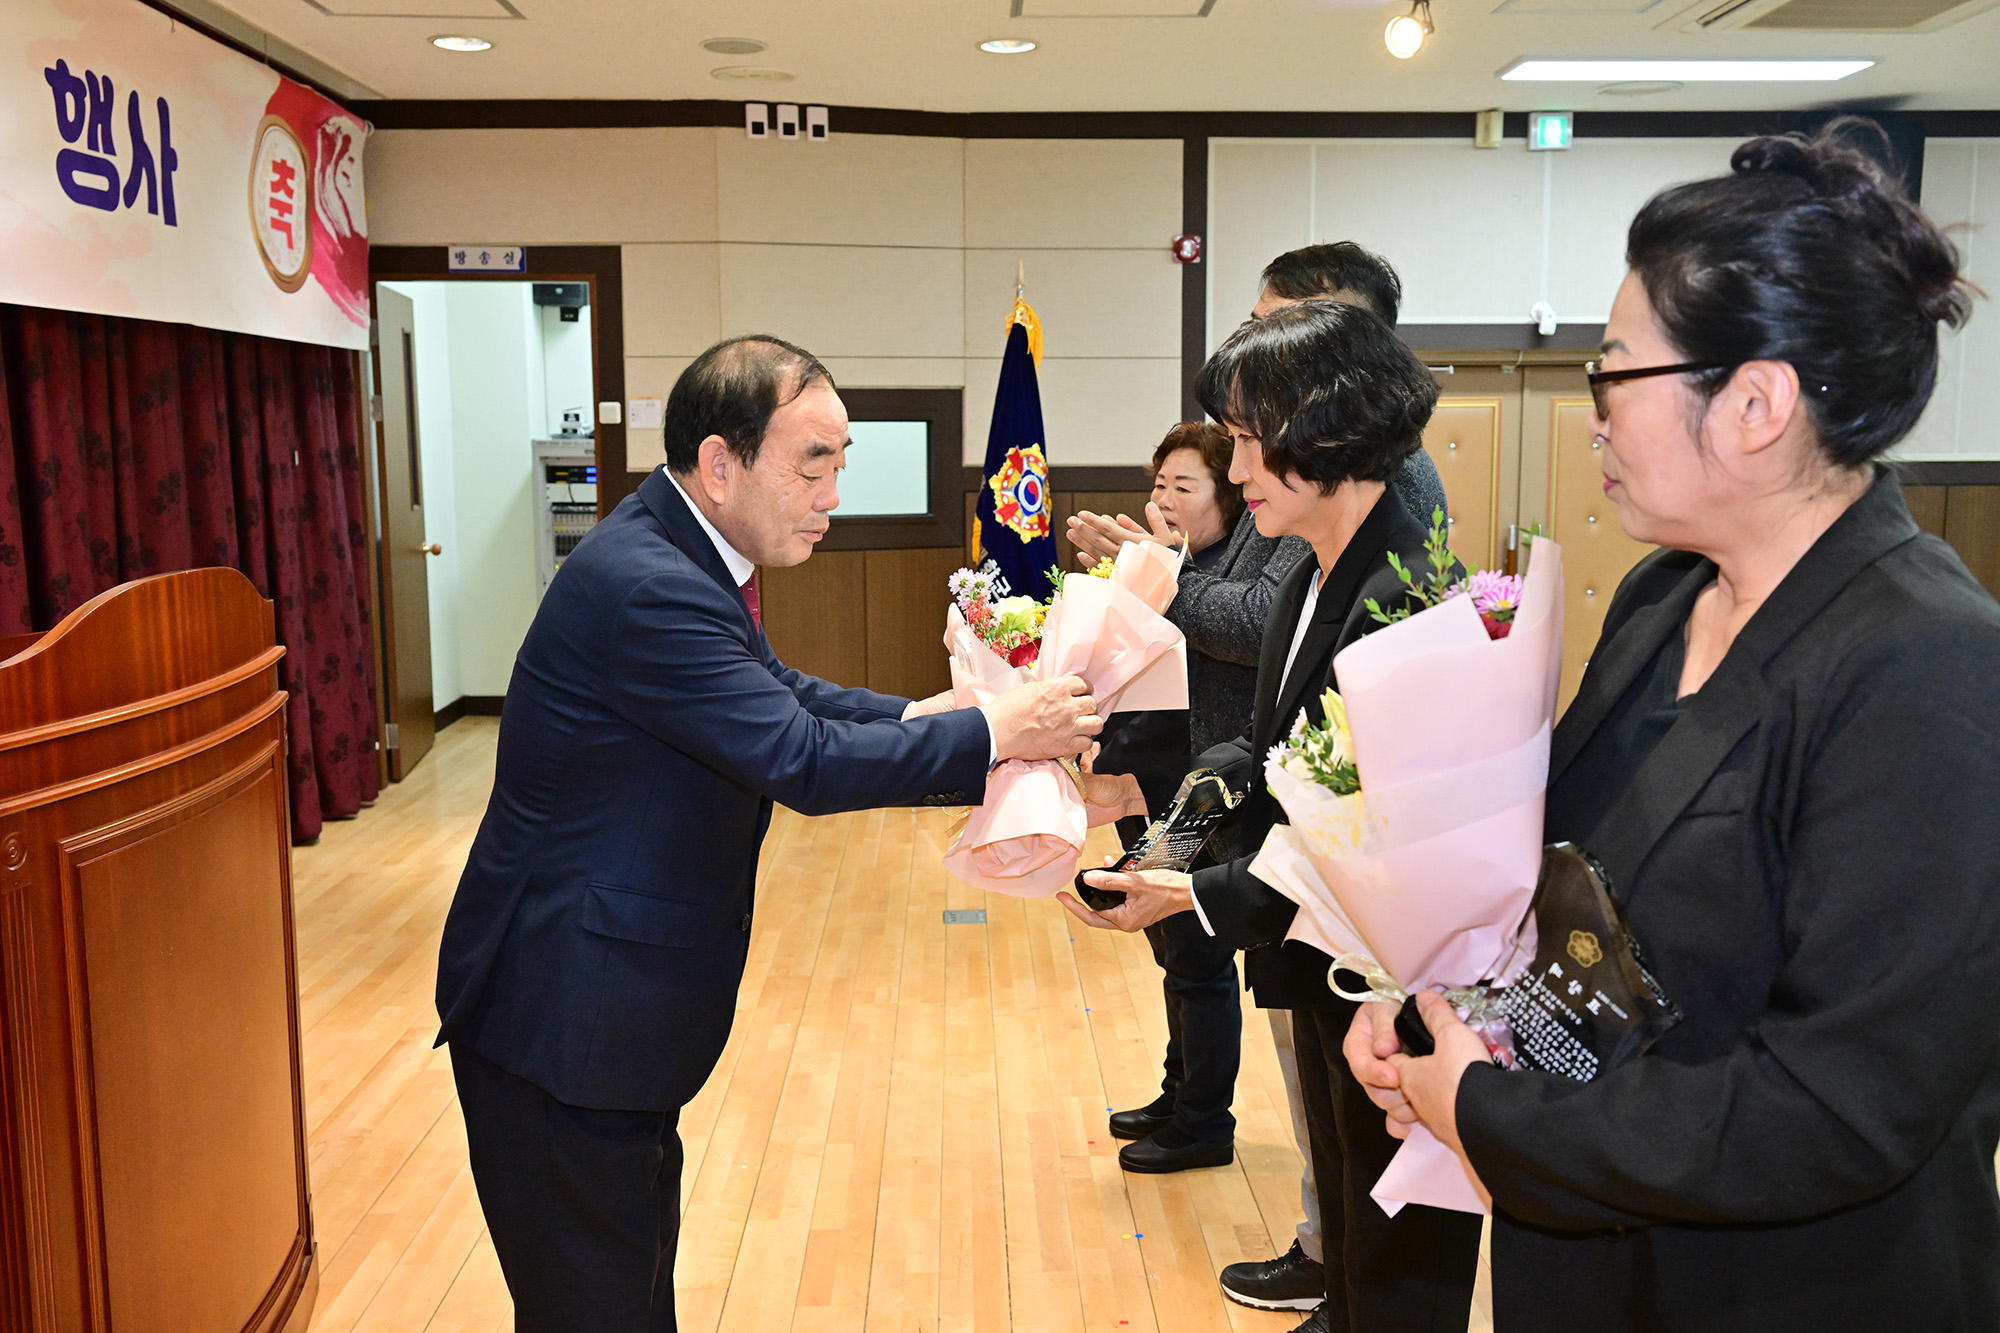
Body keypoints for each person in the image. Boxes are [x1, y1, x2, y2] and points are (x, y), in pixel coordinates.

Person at [1346, 123, 2000, 1330]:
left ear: (1753, 402)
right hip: (1587, 1252)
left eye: (1612, 371)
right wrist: (1436, 1031)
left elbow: (1842, 1102)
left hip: (1789, 1289)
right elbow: (1563, 896)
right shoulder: (1663, 595)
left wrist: (1489, 1115)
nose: (1593, 414)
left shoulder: (1926, 665)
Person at [433, 335, 1103, 1332]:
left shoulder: (682, 550)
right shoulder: (648, 582)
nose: (832, 488)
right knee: (595, 1304)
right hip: (560, 1014)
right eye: (811, 461)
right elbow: (800, 758)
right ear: (719, 461)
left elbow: (781, 694)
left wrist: (937, 715)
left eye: (839, 459)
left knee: (623, 1283)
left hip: (602, 1013)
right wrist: (993, 733)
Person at [1068, 300, 1484, 1333]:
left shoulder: (1406, 591)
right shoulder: (1308, 564)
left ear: (1326, 431)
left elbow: (1370, 834)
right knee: (1346, 1211)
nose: (1234, 463)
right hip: (1323, 954)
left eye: (1249, 438)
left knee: (1396, 1244)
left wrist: (1195, 892)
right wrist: (1162, 846)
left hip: (1396, 986)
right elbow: (1258, 755)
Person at [1088, 422, 1249, 1175]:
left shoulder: (1220, 574)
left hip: (1196, 790)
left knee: (1197, 954)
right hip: (1150, 778)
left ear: (1230, 494)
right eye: (1160, 485)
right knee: (1170, 947)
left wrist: (1159, 576)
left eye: (1185, 487)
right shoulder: (1171, 564)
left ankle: (1203, 1121)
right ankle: (1177, 1091)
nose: (1167, 499)